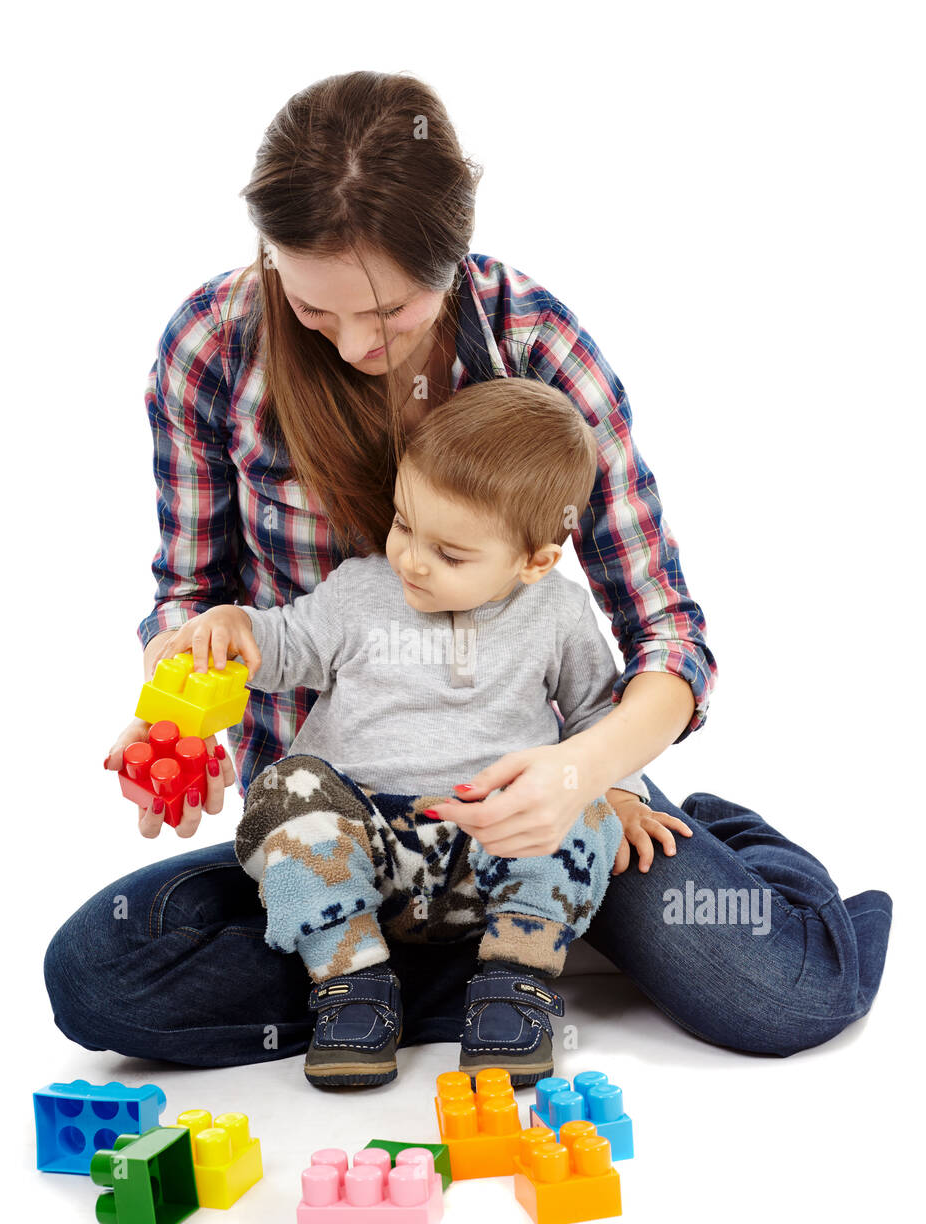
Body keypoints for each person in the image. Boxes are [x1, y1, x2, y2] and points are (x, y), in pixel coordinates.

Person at [44, 70, 891, 1071]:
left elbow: (666, 631)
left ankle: (561, 909)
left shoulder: (535, 343)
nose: (357, 346)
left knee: (783, 996)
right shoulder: (212, 345)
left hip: (536, 809)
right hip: (337, 828)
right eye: (315, 311)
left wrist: (586, 769)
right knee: (100, 975)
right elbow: (194, 601)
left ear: (450, 255)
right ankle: (499, 965)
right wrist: (175, 701)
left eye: (391, 311)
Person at [171, 376, 690, 1089]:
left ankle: (513, 980)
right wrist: (234, 626)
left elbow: (601, 714)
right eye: (403, 524)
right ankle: (352, 984)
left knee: (584, 803)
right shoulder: (359, 590)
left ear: (535, 560)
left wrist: (616, 790)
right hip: (365, 855)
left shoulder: (558, 615)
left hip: (495, 845)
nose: (411, 559)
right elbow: (284, 642)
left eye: (450, 554)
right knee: (286, 788)